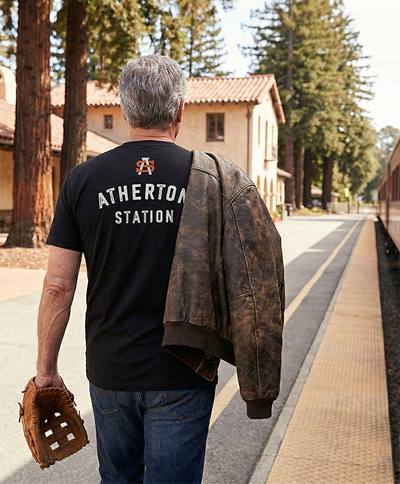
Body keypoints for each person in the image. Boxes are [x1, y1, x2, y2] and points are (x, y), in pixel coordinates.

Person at [35, 55, 285, 484]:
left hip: (111, 371)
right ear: (180, 111)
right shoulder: (211, 178)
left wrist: (46, 370)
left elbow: (59, 285)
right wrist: (257, 378)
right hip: (183, 370)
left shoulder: (81, 180)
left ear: (126, 109)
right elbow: (255, 282)